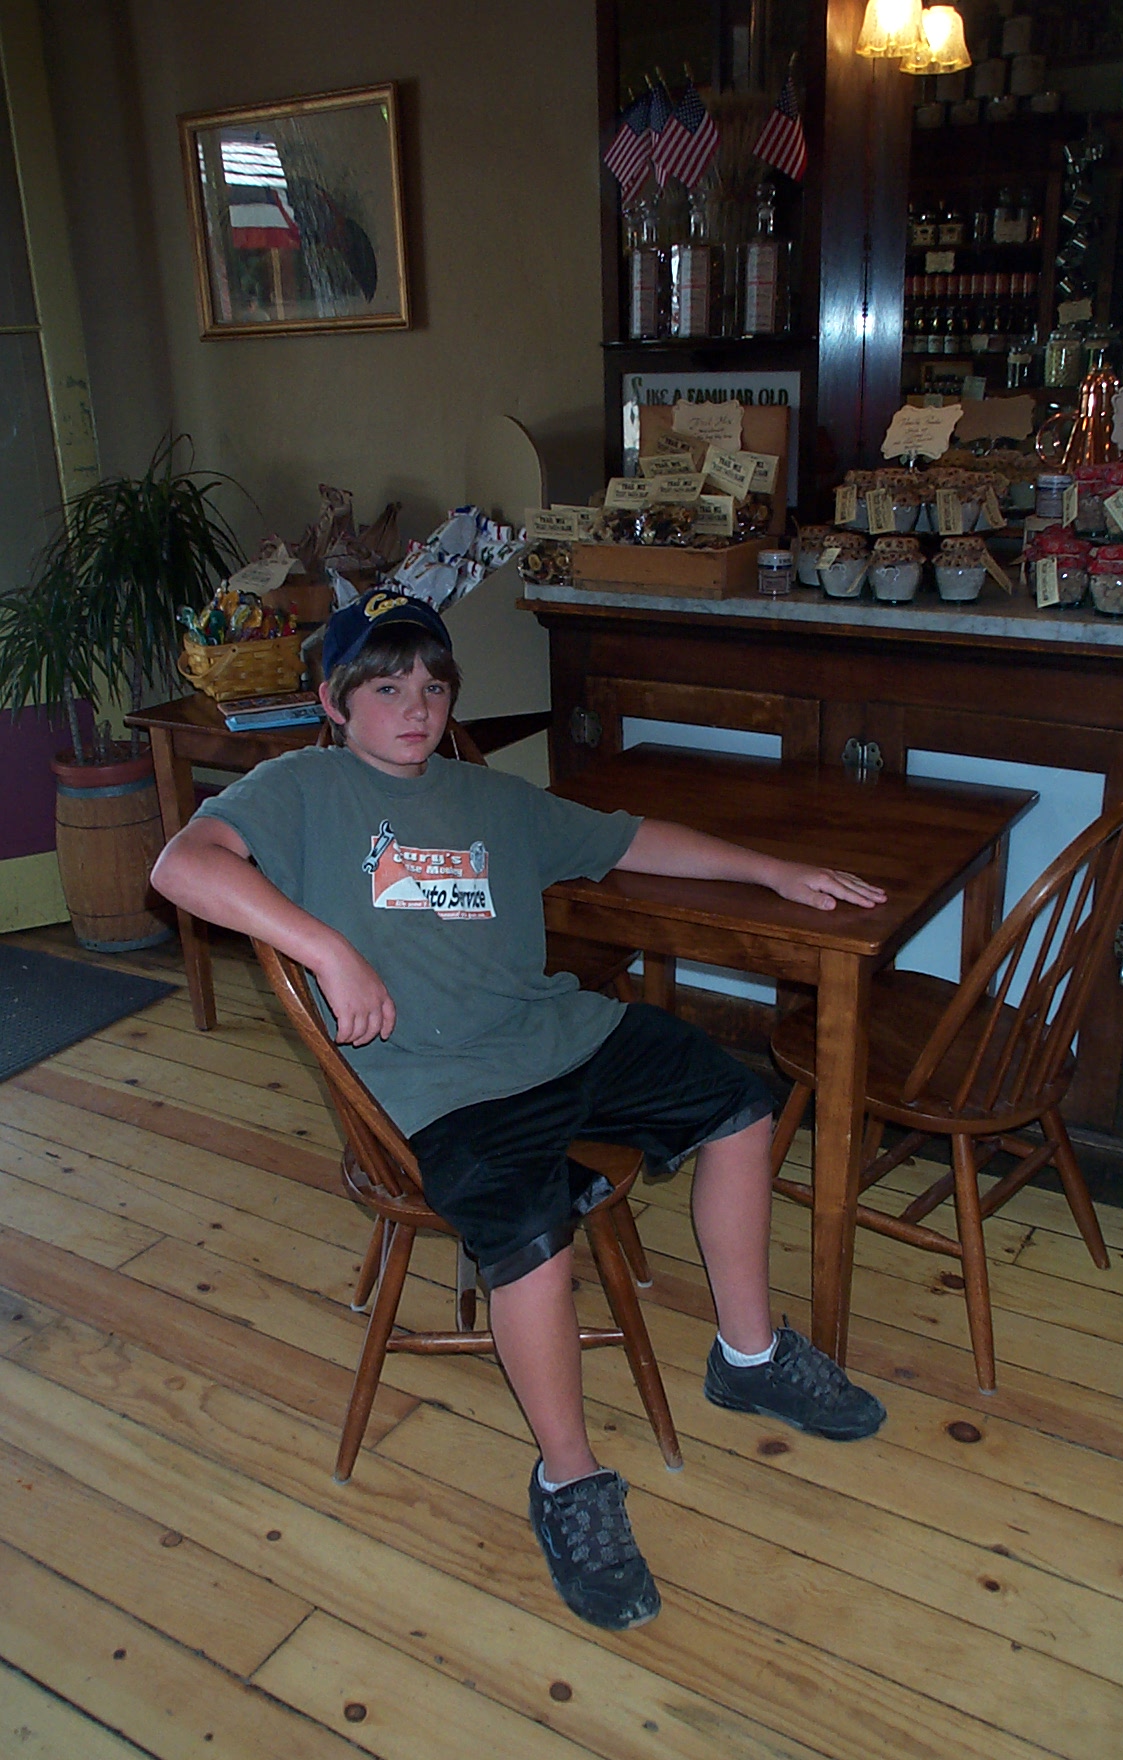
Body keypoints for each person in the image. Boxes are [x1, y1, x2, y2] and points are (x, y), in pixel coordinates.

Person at [152, 589, 889, 1634]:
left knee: (739, 1102)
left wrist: (775, 868)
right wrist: (328, 949)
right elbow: (180, 864)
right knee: (533, 1233)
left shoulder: (491, 798)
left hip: (555, 1036)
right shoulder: (304, 786)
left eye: (433, 685)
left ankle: (750, 1354)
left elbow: (631, 838)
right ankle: (569, 1479)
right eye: (385, 687)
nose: (415, 706)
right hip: (435, 1085)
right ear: (332, 701)